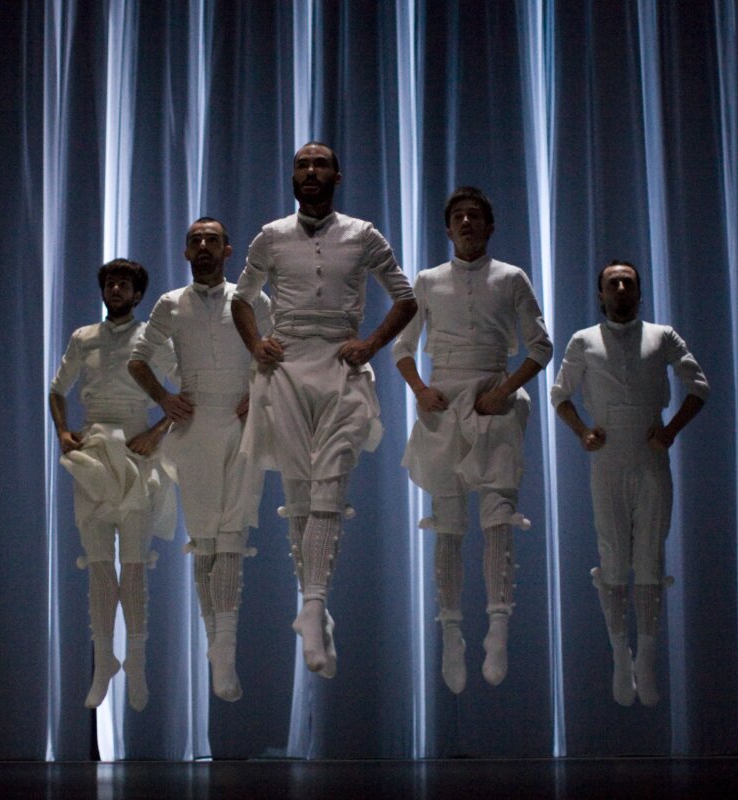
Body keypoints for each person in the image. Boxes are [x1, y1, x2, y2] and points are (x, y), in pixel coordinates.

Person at [231, 142, 417, 678]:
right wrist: (256, 344)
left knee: (329, 484)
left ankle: (312, 606)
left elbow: (405, 298)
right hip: (286, 365)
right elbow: (241, 299)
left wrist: (372, 344)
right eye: (302, 165)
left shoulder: (363, 235)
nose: (310, 172)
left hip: (341, 363)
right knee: (299, 492)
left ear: (337, 175)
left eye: (320, 165)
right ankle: (315, 610)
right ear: (293, 176)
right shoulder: (271, 235)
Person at [393, 187, 552, 693]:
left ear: (489, 226)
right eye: (458, 216)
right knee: (448, 520)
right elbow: (402, 346)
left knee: (498, 512)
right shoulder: (427, 280)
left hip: (495, 395)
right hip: (444, 397)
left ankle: (498, 627)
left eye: (475, 215)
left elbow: (541, 346)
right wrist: (421, 390)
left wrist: (504, 390)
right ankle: (452, 632)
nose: (466, 222)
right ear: (447, 228)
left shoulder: (511, 277)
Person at [551, 260, 709, 706]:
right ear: (600, 294)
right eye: (612, 283)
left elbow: (699, 386)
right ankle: (621, 653)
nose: (620, 288)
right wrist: (582, 432)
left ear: (639, 291)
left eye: (628, 282)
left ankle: (648, 656)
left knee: (650, 556)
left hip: (649, 452)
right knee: (613, 556)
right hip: (608, 456)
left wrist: (670, 430)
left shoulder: (663, 336)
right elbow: (560, 394)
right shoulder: (584, 340)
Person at [129, 217, 270, 702]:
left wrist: (260, 389)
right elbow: (138, 357)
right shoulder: (171, 303)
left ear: (228, 250)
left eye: (212, 240)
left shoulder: (251, 299)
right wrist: (164, 399)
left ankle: (225, 651)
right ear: (186, 252)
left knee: (232, 536)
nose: (204, 246)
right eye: (195, 241)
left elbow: (280, 349)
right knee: (205, 541)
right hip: (195, 424)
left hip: (242, 420)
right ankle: (216, 645)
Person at [50, 258, 177, 711]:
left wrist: (156, 432)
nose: (116, 289)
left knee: (135, 564)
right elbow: (57, 388)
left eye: (124, 283)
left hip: (137, 451)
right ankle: (105, 660)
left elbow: (186, 391)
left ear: (138, 294)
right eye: (110, 282)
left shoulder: (152, 339)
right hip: (92, 453)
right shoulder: (83, 337)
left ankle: (136, 661)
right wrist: (63, 432)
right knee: (100, 562)